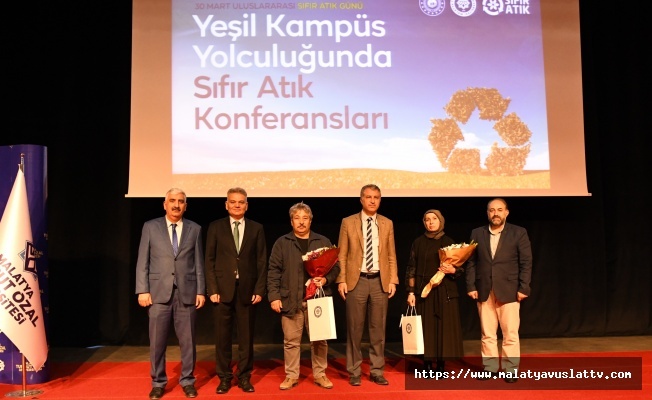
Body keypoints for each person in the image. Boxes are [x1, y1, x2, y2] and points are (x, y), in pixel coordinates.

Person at [135, 188, 206, 400]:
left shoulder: (195, 228)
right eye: (172, 201)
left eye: (181, 201)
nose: (176, 205)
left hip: (187, 292)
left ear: (186, 205)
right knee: (157, 342)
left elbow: (199, 263)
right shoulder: (150, 227)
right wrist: (142, 290)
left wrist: (201, 290)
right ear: (164, 204)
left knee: (188, 342)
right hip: (157, 294)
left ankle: (187, 380)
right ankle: (158, 382)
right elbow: (142, 261)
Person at [267, 202, 340, 390]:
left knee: (320, 340)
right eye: (297, 218)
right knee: (291, 342)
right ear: (291, 221)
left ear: (311, 220)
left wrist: (325, 280)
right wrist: (274, 296)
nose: (301, 222)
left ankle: (320, 374)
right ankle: (291, 376)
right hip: (291, 300)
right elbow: (273, 271)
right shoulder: (282, 243)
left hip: (317, 301)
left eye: (305, 218)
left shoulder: (322, 241)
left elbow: (336, 267)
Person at [204, 187, 267, 394]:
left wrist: (259, 289)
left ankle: (244, 377)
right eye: (233, 202)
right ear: (226, 204)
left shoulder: (256, 228)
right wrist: (212, 288)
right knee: (222, 338)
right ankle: (224, 378)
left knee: (246, 338)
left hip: (248, 292)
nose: (237, 205)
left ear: (247, 205)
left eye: (241, 202)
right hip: (222, 291)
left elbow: (261, 261)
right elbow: (209, 261)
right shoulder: (215, 227)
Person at [336, 184, 399, 386]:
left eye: (376, 197)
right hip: (357, 281)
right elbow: (342, 254)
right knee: (354, 329)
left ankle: (377, 370)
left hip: (380, 281)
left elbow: (391, 254)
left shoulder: (387, 223)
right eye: (368, 197)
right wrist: (342, 280)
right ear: (361, 199)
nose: (372, 200)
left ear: (380, 200)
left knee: (378, 329)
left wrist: (393, 280)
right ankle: (354, 371)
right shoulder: (348, 222)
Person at [465, 198, 532, 383]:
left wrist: (523, 287)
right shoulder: (477, 233)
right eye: (492, 210)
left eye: (499, 210)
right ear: (488, 213)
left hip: (509, 290)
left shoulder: (518, 232)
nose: (496, 213)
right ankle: (490, 367)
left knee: (510, 333)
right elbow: (471, 262)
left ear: (506, 212)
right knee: (487, 333)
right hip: (484, 289)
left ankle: (510, 369)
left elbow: (526, 263)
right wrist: (470, 285)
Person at [406, 209, 464, 375]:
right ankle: (426, 364)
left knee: (442, 328)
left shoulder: (449, 242)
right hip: (425, 291)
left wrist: (453, 269)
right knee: (426, 328)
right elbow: (411, 268)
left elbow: (460, 269)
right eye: (427, 219)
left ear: (441, 221)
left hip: (445, 292)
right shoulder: (418, 242)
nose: (430, 222)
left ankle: (441, 365)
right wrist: (411, 292)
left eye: (434, 219)